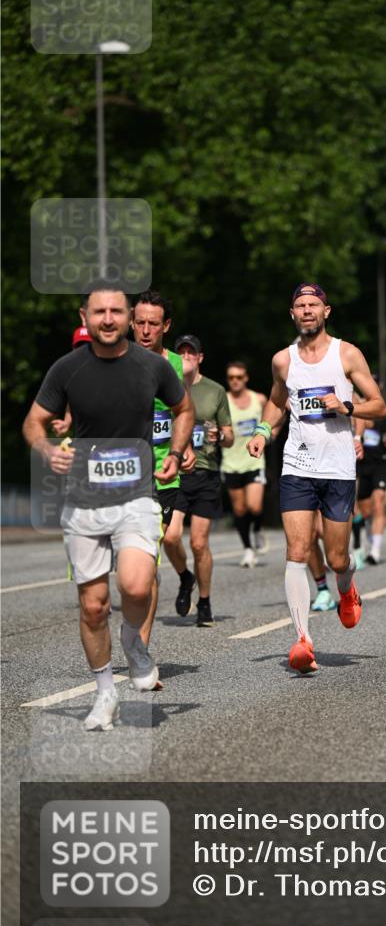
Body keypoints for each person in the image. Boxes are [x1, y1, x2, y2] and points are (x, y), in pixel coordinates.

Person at [22, 283, 194, 730]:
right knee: (93, 606)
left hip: (136, 495)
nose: (109, 319)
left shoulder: (152, 366)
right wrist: (46, 451)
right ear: (86, 317)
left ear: (128, 316)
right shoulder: (67, 370)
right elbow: (34, 423)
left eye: (117, 311)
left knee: (137, 587)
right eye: (99, 311)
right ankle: (104, 694)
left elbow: (183, 409)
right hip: (83, 502)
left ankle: (134, 644)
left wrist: (175, 452)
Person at [246, 283, 386, 673]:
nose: (307, 310)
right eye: (300, 305)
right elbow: (277, 403)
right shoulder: (283, 361)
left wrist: (346, 405)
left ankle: (346, 589)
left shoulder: (346, 353)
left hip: (339, 469)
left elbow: (378, 405)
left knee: (338, 557)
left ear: (327, 311)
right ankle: (303, 640)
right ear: (292, 314)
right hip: (298, 465)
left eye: (314, 305)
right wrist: (261, 432)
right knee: (297, 549)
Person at [131, 290, 196, 648]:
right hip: (124, 472)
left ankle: (141, 648)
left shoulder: (178, 366)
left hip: (163, 471)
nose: (144, 330)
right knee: (132, 569)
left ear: (165, 326)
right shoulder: (112, 360)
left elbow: (184, 411)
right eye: (138, 322)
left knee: (151, 555)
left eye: (152, 324)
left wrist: (181, 448)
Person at [164, 335, 233, 626]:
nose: (187, 356)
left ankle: (204, 601)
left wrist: (221, 435)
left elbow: (230, 437)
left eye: (192, 352)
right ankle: (185, 577)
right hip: (177, 472)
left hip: (206, 471)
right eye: (181, 352)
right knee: (169, 537)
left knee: (199, 543)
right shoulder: (165, 384)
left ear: (201, 357)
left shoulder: (215, 390)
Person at [221, 361, 268, 567]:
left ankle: (257, 529)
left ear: (246, 378)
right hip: (231, 463)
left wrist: (270, 433)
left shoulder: (259, 399)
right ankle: (248, 549)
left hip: (255, 462)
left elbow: (273, 418)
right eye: (231, 377)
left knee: (254, 506)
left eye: (239, 377)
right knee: (239, 510)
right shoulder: (223, 401)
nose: (235, 381)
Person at [355, 377, 386, 565]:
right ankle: (369, 536)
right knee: (364, 510)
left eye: (375, 382)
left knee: (379, 502)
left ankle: (376, 550)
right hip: (361, 462)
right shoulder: (355, 405)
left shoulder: (384, 408)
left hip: (380, 462)